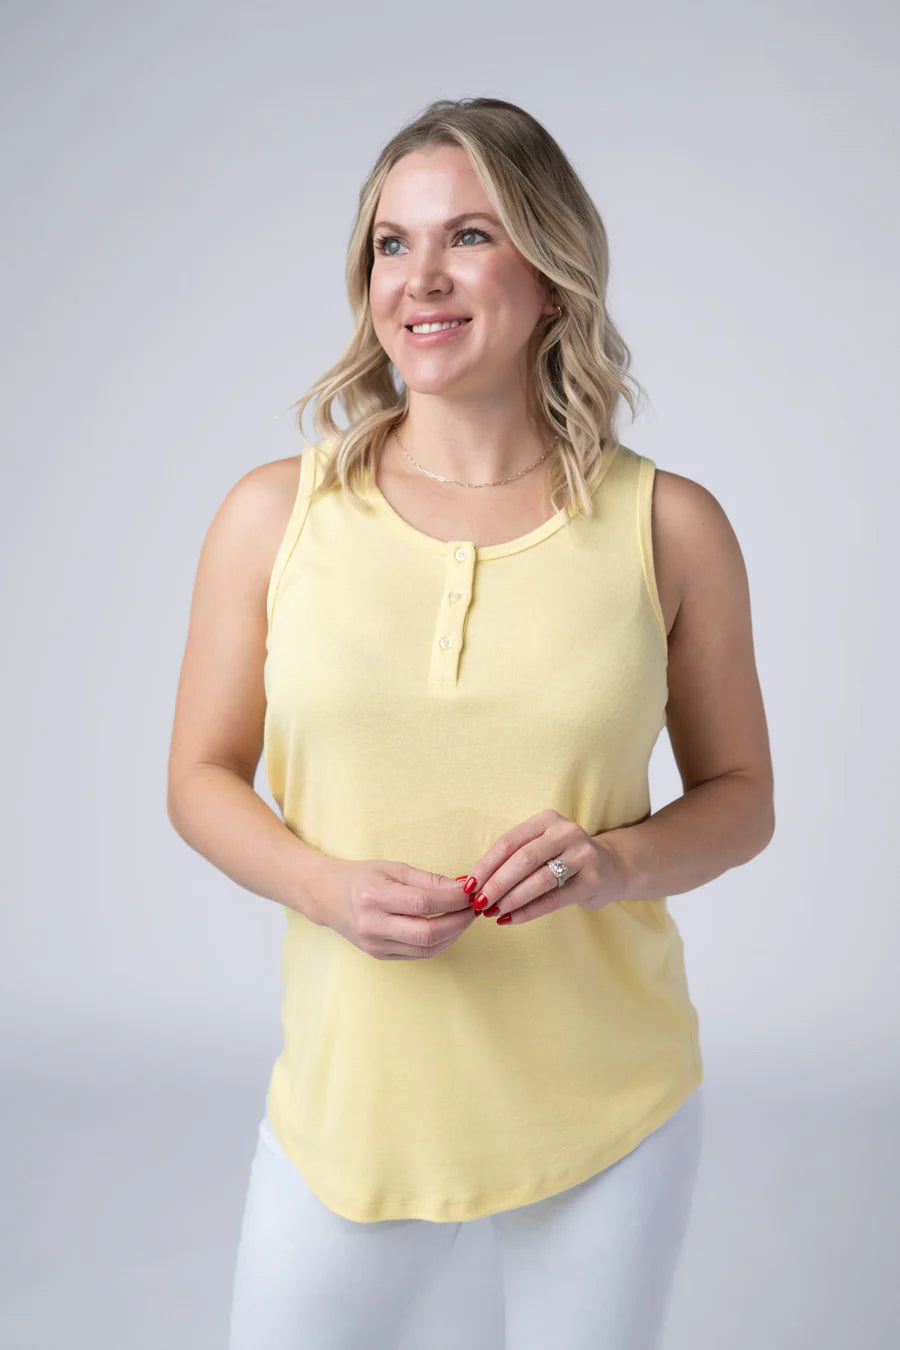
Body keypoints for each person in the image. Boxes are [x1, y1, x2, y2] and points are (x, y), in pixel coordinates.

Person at [167, 97, 775, 1350]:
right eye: (392, 244)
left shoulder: (670, 527)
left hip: (606, 1104)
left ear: (550, 276)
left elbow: (742, 798)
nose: (420, 278)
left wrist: (615, 864)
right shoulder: (275, 515)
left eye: (470, 236)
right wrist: (325, 889)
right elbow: (200, 776)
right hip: (353, 1112)